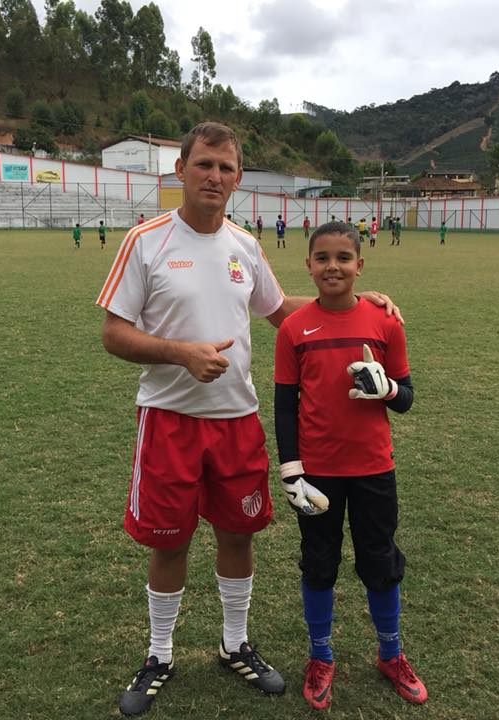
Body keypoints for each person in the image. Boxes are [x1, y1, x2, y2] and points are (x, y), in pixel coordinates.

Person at [96, 123, 403, 717]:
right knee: (170, 542)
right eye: (204, 164)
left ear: (238, 178)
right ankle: (159, 654)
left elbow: (281, 312)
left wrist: (360, 305)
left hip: (238, 419)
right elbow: (113, 333)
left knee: (239, 535)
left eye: (226, 168)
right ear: (181, 168)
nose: (214, 177)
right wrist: (180, 353)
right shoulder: (145, 240)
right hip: (169, 419)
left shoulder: (243, 244)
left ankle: (234, 645)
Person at [272, 221, 426, 710]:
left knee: (380, 562)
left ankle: (391, 653)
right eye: (323, 258)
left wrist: (387, 390)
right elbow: (282, 405)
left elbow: (405, 399)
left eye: (343, 257)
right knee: (319, 564)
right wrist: (291, 469)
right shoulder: (294, 329)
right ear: (309, 266)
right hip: (316, 472)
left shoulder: (385, 323)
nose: (333, 266)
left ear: (360, 265)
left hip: (373, 470)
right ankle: (320, 656)